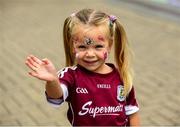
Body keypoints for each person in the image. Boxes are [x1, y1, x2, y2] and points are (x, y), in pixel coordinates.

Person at [25, 8, 140, 126]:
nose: (90, 54)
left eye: (98, 47)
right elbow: (56, 96)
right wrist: (53, 81)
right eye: (82, 47)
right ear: (72, 46)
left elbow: (132, 112)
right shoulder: (70, 75)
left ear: (109, 46)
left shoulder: (122, 76)